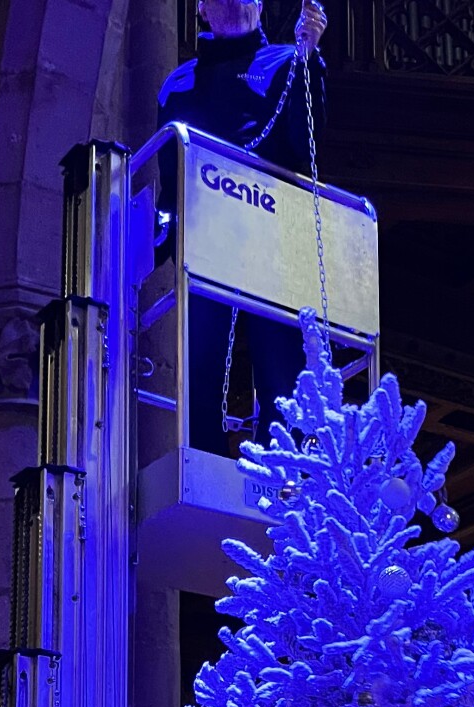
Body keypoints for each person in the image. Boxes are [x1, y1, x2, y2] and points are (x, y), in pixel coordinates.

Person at [157, 0, 327, 454]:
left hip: (270, 231)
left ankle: (282, 470)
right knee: (201, 358)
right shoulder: (177, 82)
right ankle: (201, 458)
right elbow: (169, 181)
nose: (233, 3)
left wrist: (309, 57)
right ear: (202, 9)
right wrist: (161, 240)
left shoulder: (287, 61)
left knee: (279, 361)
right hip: (205, 237)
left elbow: (305, 149)